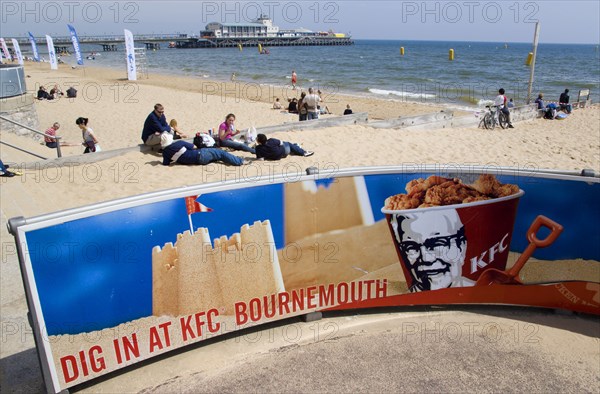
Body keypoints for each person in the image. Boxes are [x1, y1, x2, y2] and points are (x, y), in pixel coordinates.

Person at [390, 209, 474, 292]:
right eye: (411, 247)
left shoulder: (482, 291)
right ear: (402, 253)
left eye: (436, 243)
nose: (427, 259)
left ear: (461, 247)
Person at [161, 133, 247, 166]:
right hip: (200, 155)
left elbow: (166, 163)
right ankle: (239, 161)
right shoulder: (178, 143)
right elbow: (193, 146)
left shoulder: (165, 153)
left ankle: (234, 160)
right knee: (220, 153)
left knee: (217, 156)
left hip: (197, 161)